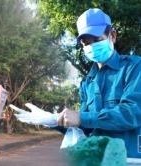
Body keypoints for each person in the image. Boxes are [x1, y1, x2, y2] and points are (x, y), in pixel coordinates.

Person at [57, 8, 141, 158]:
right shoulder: (87, 82)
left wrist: (82, 118)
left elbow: (131, 114)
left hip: (128, 159)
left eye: (97, 40)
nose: (92, 47)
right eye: (86, 44)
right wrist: (59, 122)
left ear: (112, 35)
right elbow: (85, 126)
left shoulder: (134, 67)